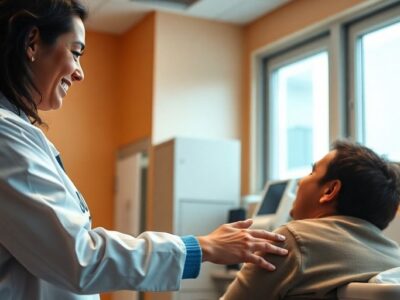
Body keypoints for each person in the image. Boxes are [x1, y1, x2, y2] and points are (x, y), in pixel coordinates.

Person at [0, 0, 289, 299]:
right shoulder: (6, 136)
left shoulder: (19, 134)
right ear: (32, 42)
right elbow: (79, 258)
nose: (79, 73)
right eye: (75, 53)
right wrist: (202, 247)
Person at [222, 141, 400, 300]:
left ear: (329, 191)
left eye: (311, 172)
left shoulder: (291, 240)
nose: (300, 181)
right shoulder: (395, 257)